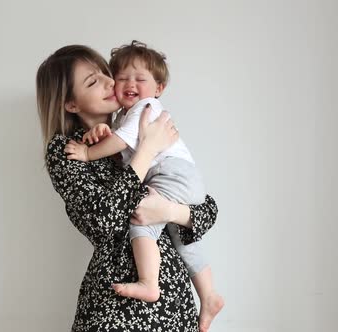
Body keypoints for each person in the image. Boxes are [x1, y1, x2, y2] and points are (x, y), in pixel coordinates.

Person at [36, 44, 219, 332]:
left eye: (107, 74)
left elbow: (207, 210)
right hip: (118, 305)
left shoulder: (135, 126)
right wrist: (147, 149)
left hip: (175, 302)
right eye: (93, 81)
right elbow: (103, 221)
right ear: (71, 103)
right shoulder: (67, 149)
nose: (111, 82)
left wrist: (168, 210)